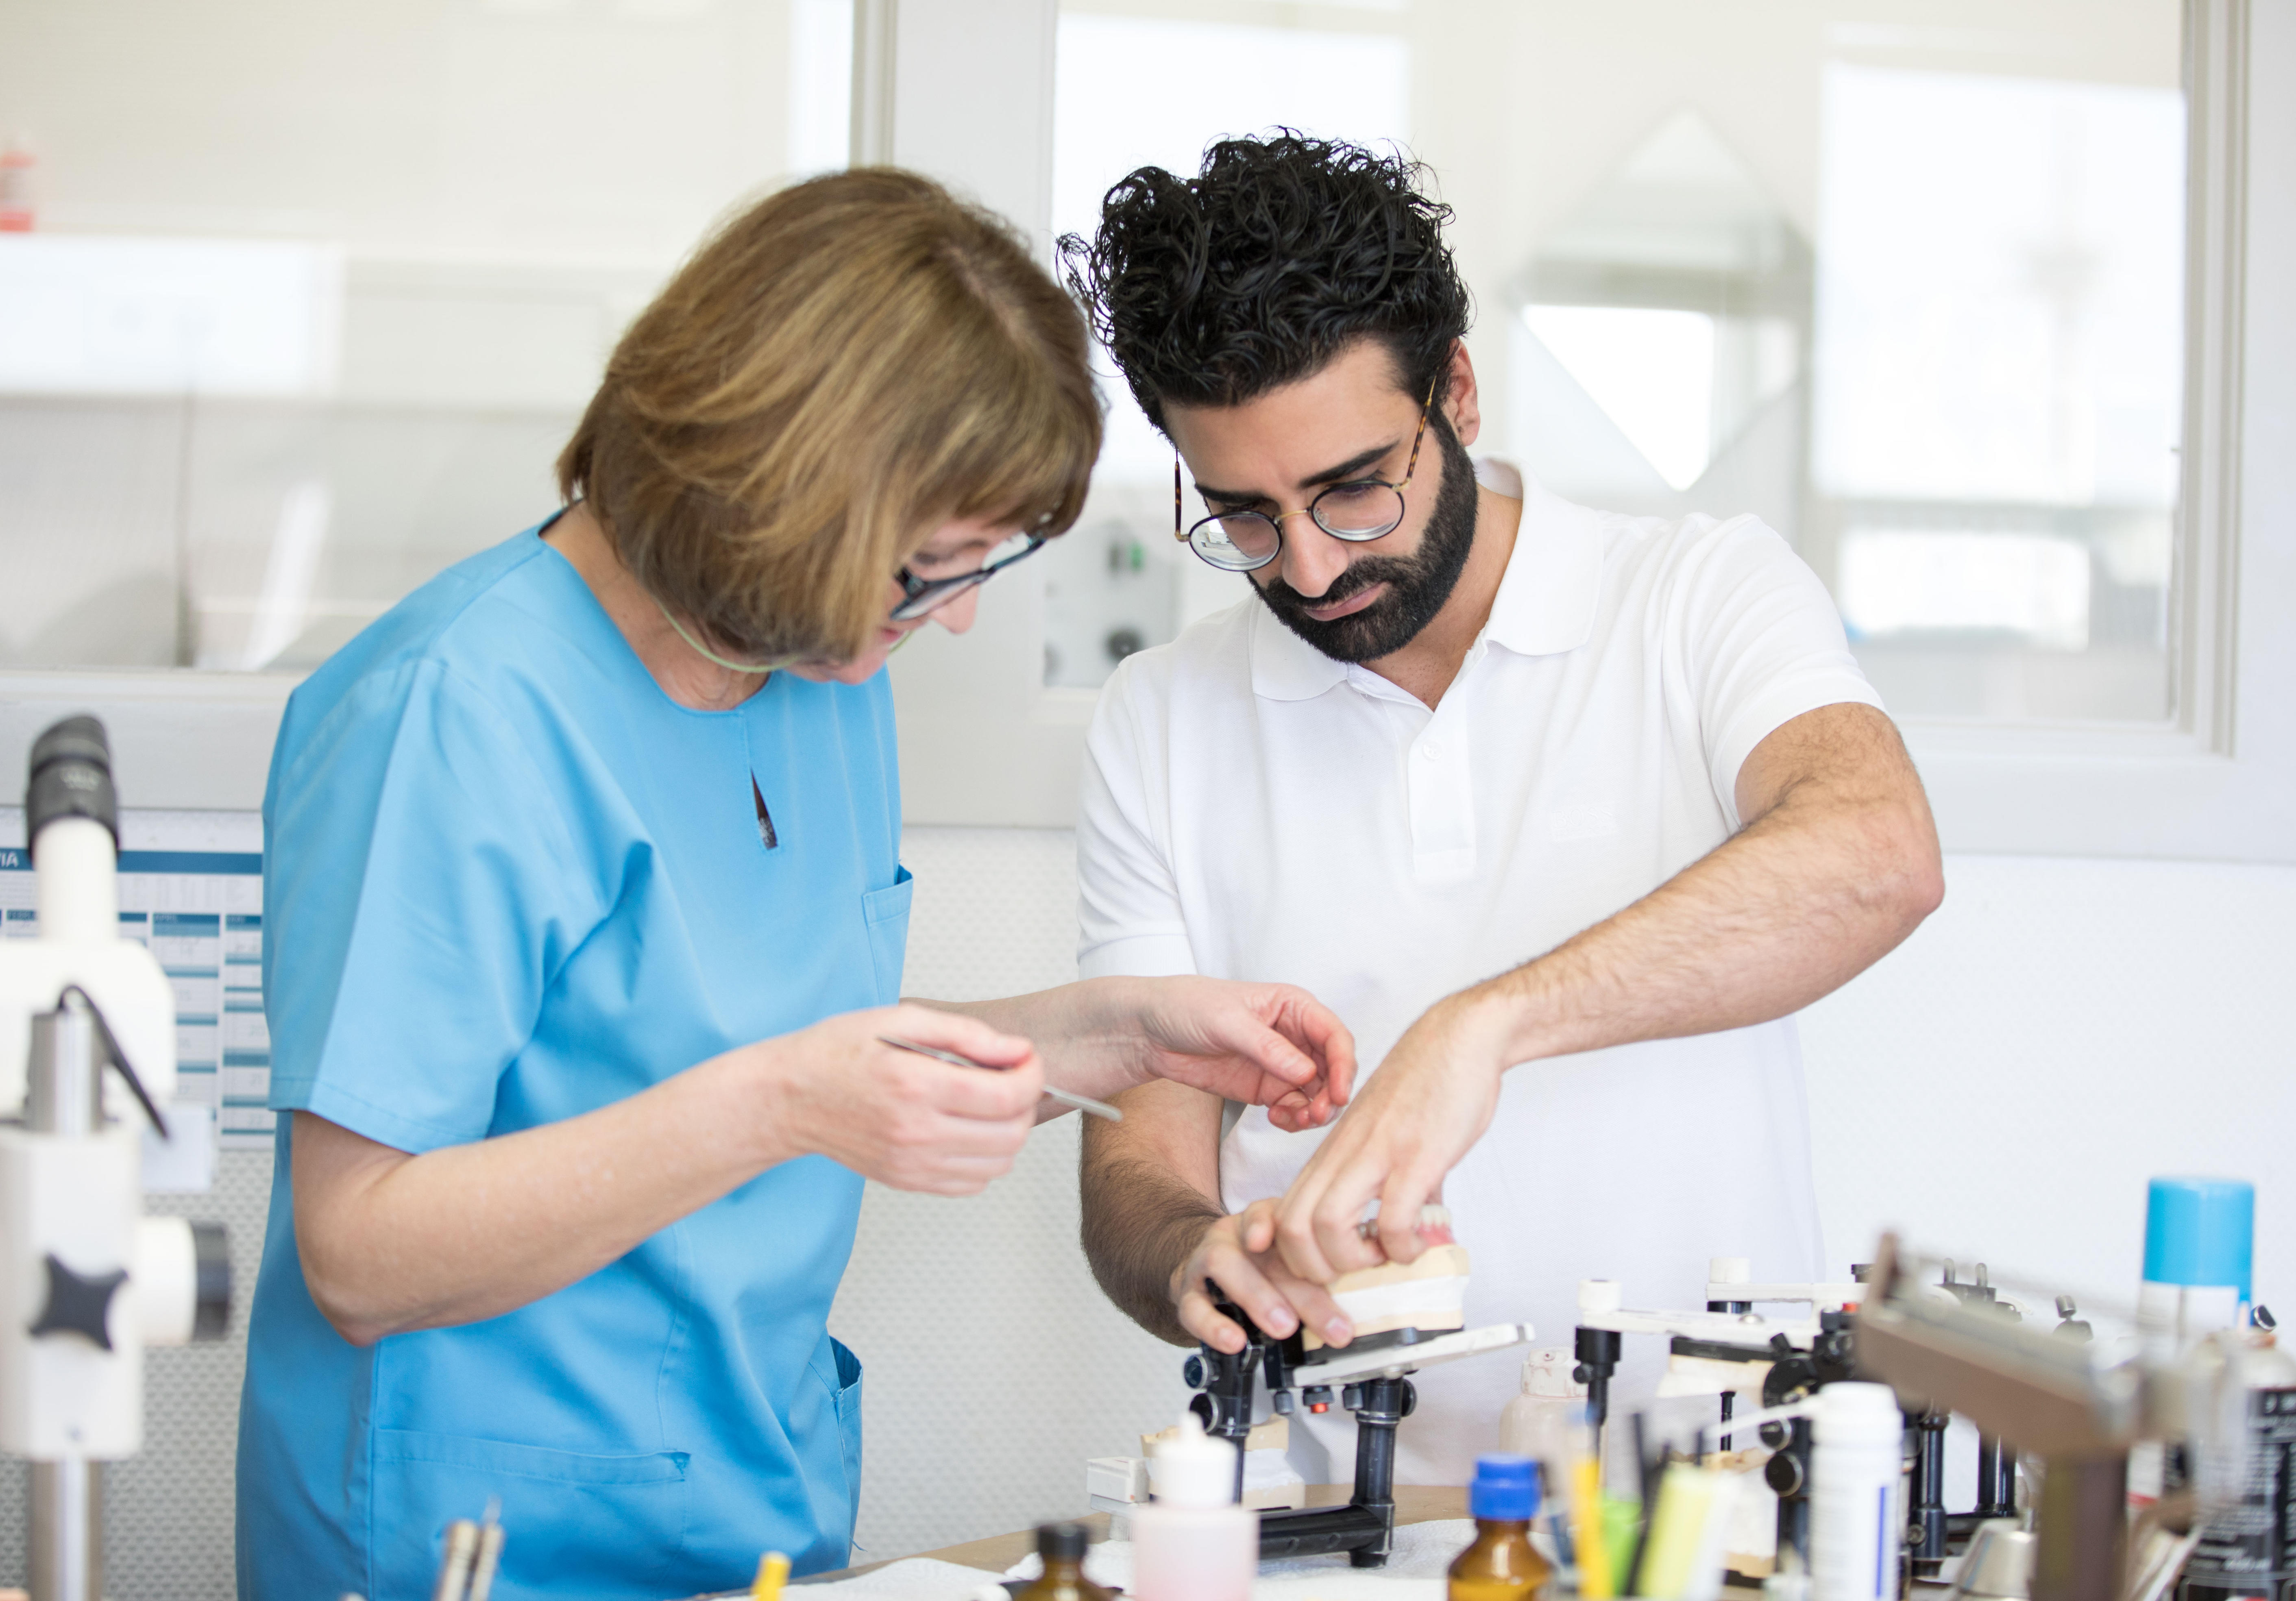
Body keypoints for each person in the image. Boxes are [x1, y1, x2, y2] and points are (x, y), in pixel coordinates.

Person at [235, 169, 1354, 1601]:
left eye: (983, 569)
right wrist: (784, 1104)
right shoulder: (451, 711)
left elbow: (737, 1027)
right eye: (927, 569)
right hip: (479, 1537)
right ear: (773, 488)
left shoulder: (815, 663)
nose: (950, 619)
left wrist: (1100, 1037)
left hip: (747, 1502)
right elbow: (361, 1250)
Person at [1063, 136, 1944, 1484]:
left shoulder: (1697, 596)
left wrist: (1483, 1028)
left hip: (1712, 1503)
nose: (1306, 566)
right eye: (1242, 515)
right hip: (1365, 1516)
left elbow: (1875, 855)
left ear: (1457, 391)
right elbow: (1138, 1164)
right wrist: (1201, 1251)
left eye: (1354, 487)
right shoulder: (1161, 717)